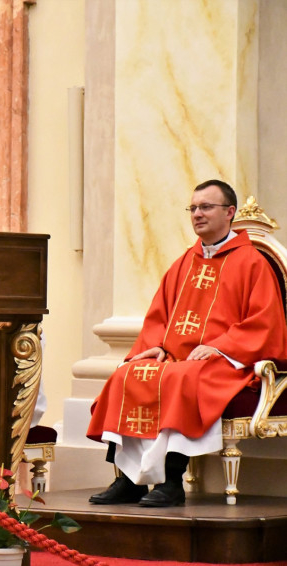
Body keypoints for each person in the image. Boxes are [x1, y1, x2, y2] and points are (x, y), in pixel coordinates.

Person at [87, 180, 287, 507]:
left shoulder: (252, 263)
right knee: (128, 374)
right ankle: (129, 480)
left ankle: (171, 482)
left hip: (226, 362)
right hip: (176, 359)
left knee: (183, 378)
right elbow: (159, 315)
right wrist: (156, 345)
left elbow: (265, 323)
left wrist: (221, 346)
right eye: (193, 208)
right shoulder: (184, 262)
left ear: (229, 212)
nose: (197, 214)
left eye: (206, 207)